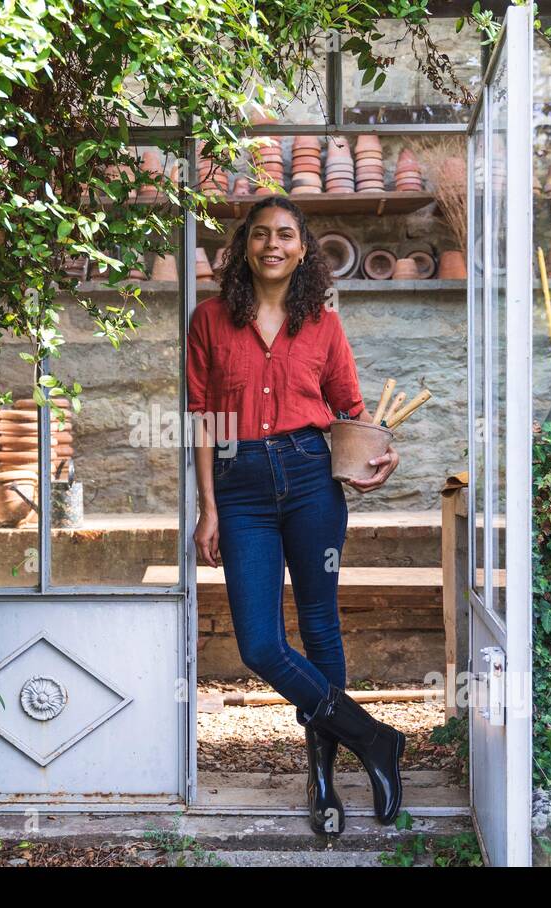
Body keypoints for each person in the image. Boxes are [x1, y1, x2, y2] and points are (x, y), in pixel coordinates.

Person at [186, 194, 407, 834]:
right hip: (241, 488)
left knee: (319, 627)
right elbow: (203, 419)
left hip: (312, 479)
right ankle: (373, 738)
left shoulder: (324, 326)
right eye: (261, 235)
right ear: (244, 248)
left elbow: (350, 412)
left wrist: (373, 460)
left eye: (286, 234)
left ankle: (323, 779)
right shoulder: (208, 321)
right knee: (259, 643)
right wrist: (209, 507)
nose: (273, 245)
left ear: (303, 247)